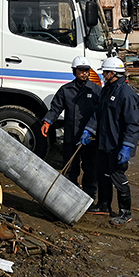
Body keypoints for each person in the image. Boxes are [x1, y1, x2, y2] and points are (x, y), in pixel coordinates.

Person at [80, 56, 139, 225]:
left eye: (105, 72)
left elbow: (132, 124)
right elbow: (97, 114)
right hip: (104, 142)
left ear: (113, 73)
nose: (103, 75)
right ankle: (104, 204)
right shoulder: (107, 90)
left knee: (117, 176)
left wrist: (127, 147)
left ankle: (125, 211)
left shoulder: (127, 95)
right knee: (102, 174)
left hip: (118, 145)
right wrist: (88, 130)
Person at [41, 56, 100, 203]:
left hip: (89, 138)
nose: (84, 74)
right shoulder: (66, 90)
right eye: (81, 71)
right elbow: (55, 108)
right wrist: (48, 121)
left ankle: (89, 197)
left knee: (90, 168)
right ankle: (70, 197)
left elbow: (100, 113)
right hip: (71, 137)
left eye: (86, 70)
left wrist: (93, 130)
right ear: (74, 71)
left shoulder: (96, 91)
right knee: (70, 168)